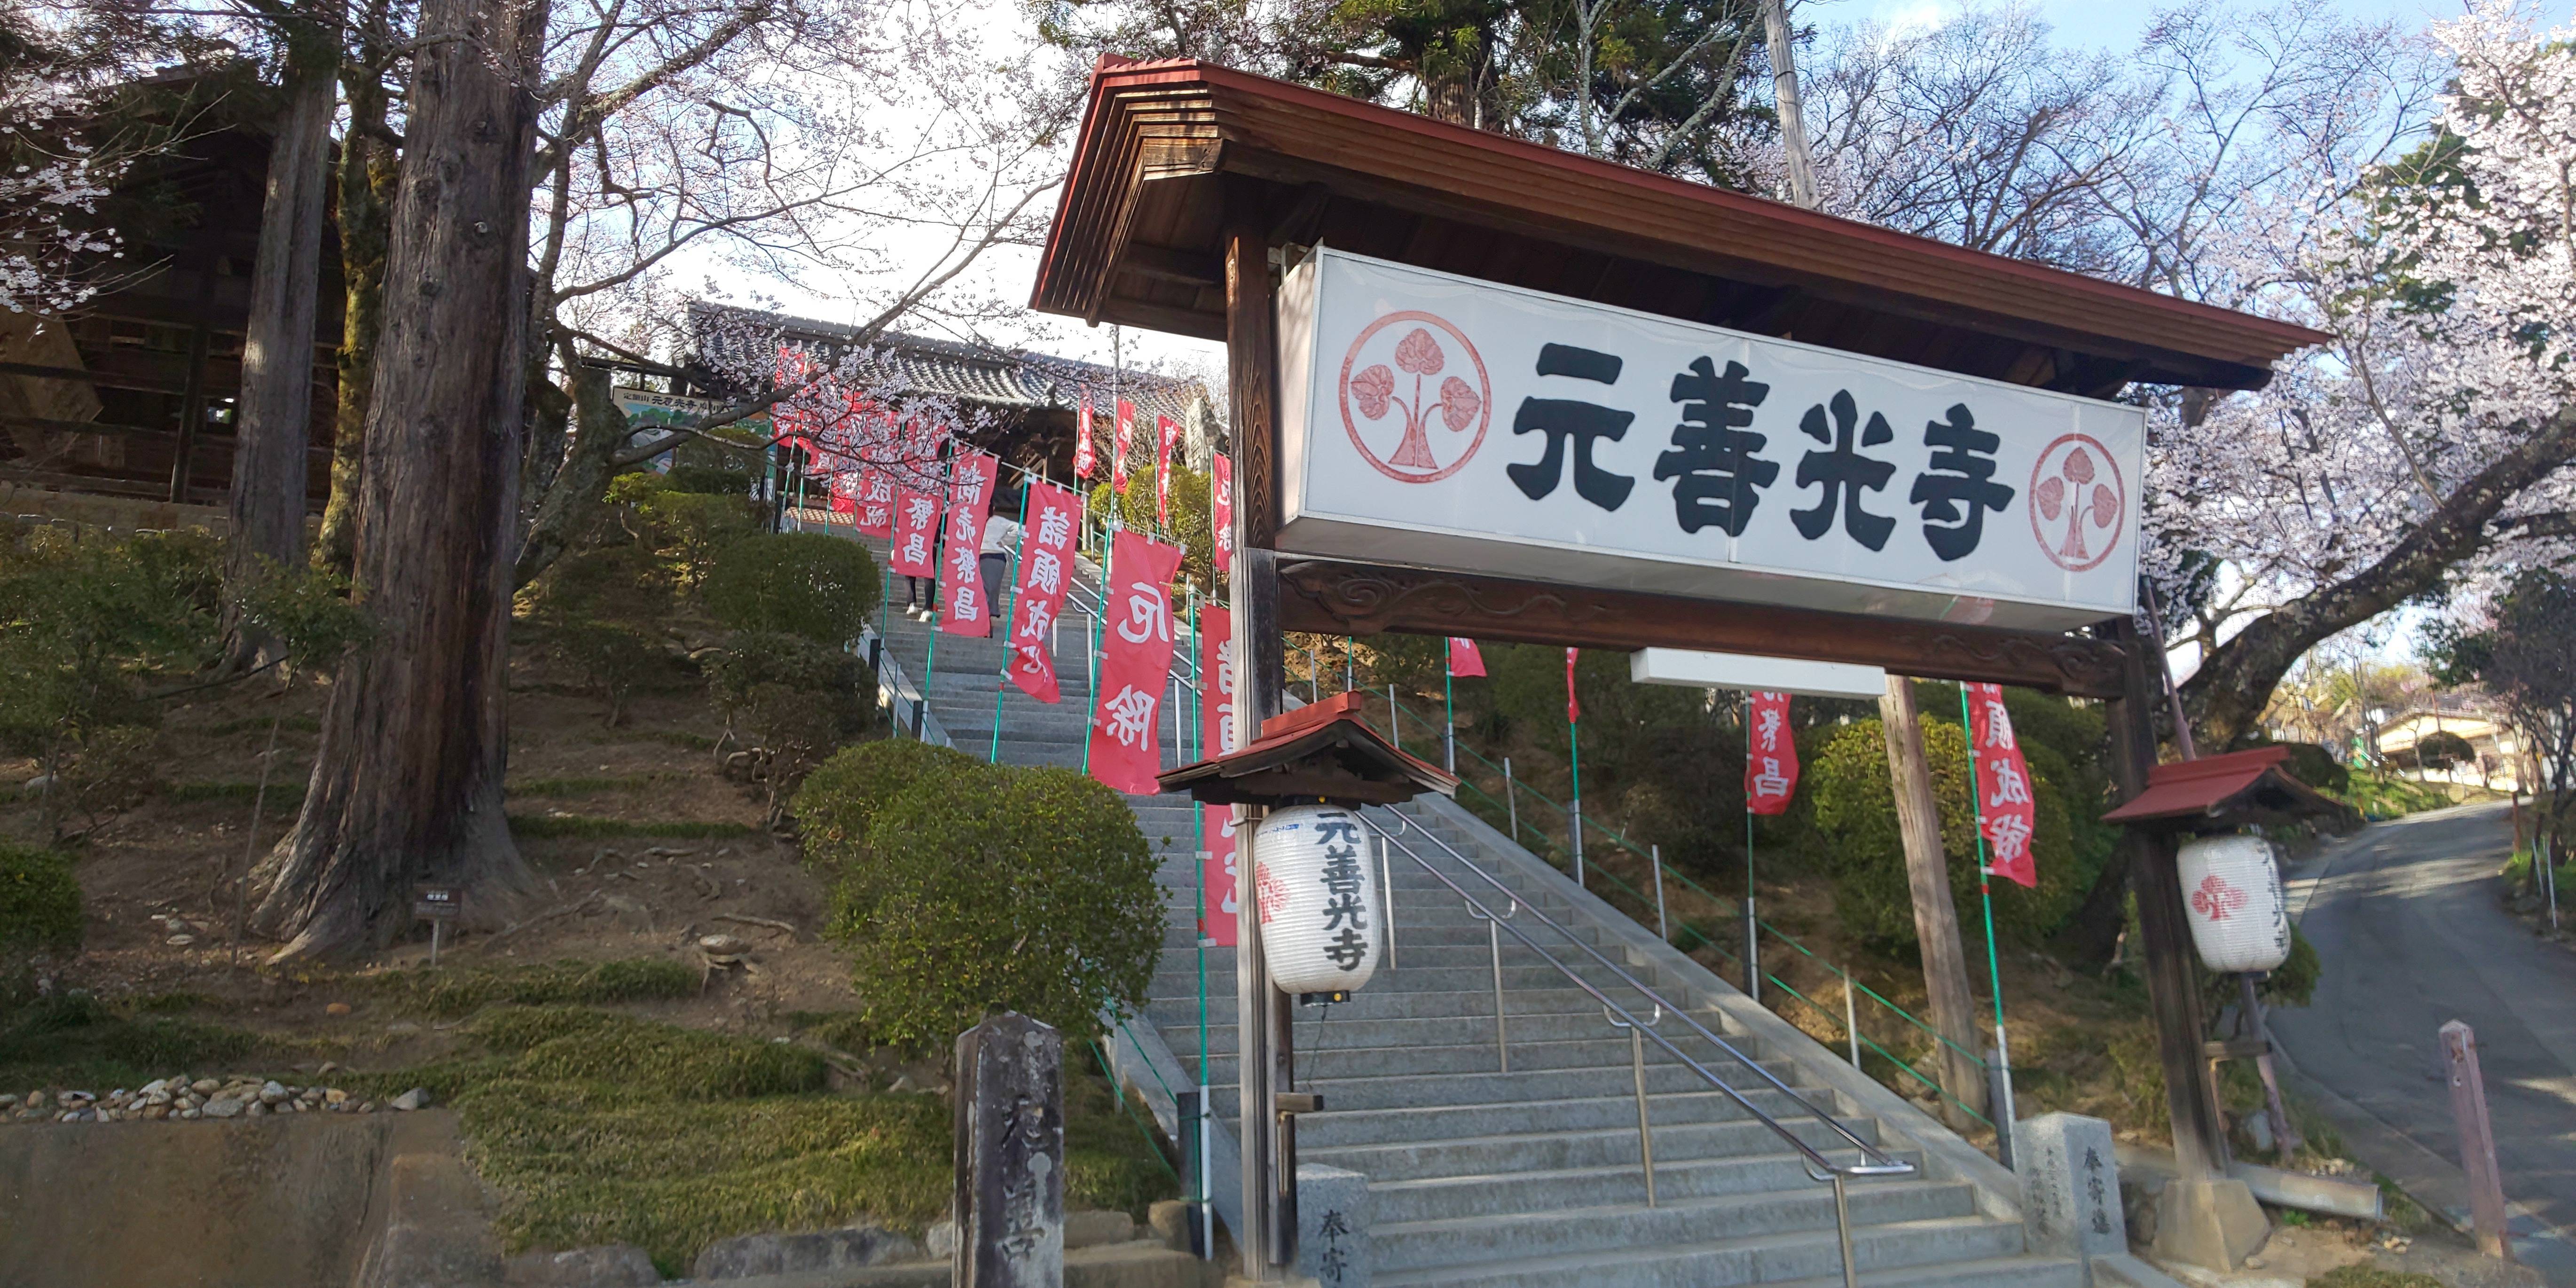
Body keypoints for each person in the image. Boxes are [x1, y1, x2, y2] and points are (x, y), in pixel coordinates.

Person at [978, 512, 1022, 624]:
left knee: (984, 589)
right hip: (995, 556)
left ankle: (983, 621)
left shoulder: (975, 517)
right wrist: (1004, 542)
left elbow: (1020, 529)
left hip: (985, 554)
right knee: (990, 590)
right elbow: (1020, 529)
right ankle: (986, 618)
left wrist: (1003, 542)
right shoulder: (998, 520)